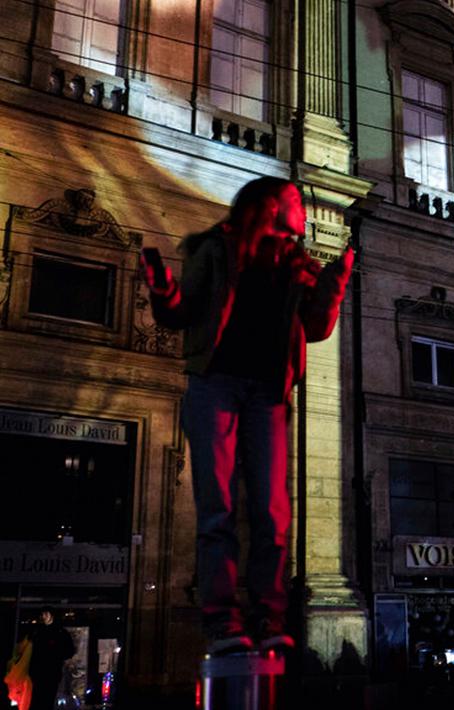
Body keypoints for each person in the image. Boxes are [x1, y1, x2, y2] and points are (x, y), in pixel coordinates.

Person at [142, 177, 354, 655]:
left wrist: (334, 285)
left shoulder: (300, 265)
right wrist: (162, 288)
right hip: (214, 382)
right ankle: (222, 622)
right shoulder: (215, 249)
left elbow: (317, 329)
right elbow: (180, 314)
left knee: (272, 513)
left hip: (268, 394)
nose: (303, 208)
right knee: (217, 508)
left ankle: (269, 618)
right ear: (269, 206)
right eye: (296, 201)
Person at [28, 609, 73, 710]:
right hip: (39, 672)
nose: (43, 616)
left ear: (52, 615)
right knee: (37, 698)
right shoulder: (38, 631)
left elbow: (69, 651)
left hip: (51, 671)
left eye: (46, 614)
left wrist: (56, 655)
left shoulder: (60, 632)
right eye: (43, 614)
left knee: (47, 698)